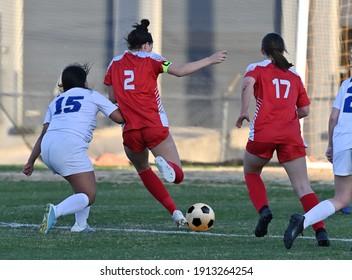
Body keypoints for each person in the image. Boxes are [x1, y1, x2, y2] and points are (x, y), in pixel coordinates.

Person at [104, 19, 227, 227]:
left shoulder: (115, 63)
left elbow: (112, 98)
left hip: (130, 130)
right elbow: (179, 70)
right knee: (177, 176)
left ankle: (175, 213)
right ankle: (165, 164)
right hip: (153, 125)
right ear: (146, 46)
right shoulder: (152, 58)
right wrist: (210, 59)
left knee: (143, 169)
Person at [235, 32, 330, 246]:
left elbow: (247, 85)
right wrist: (287, 113)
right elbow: (305, 109)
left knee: (251, 171)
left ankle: (264, 210)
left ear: (262, 51)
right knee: (303, 187)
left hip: (264, 132)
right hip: (290, 134)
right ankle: (321, 232)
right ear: (283, 51)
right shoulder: (294, 75)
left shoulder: (256, 68)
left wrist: (243, 111)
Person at [22, 63, 124, 234]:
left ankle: (80, 225)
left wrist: (30, 161)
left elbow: (43, 134)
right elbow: (120, 118)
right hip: (68, 146)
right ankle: (56, 210)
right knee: (88, 196)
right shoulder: (92, 95)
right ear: (84, 82)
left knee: (82, 187)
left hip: (47, 147)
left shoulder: (56, 101)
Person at [284, 75, 352, 249]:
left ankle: (303, 221)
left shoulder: (346, 84)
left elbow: (333, 118)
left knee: (341, 199)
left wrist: (331, 145)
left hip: (342, 142)